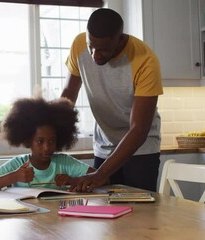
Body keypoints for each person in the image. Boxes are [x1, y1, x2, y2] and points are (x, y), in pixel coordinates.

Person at [61, 8, 163, 192]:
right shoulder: (78, 44)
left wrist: (101, 174)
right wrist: (54, 130)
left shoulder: (145, 60)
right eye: (91, 46)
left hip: (141, 149)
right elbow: (69, 94)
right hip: (104, 145)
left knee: (140, 215)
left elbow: (139, 129)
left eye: (104, 50)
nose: (95, 55)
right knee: (102, 208)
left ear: (120, 39)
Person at [0, 97, 96, 193]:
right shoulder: (18, 164)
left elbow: (102, 178)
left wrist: (73, 180)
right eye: (40, 141)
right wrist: (14, 177)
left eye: (52, 141)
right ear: (28, 140)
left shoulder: (64, 162)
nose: (46, 148)